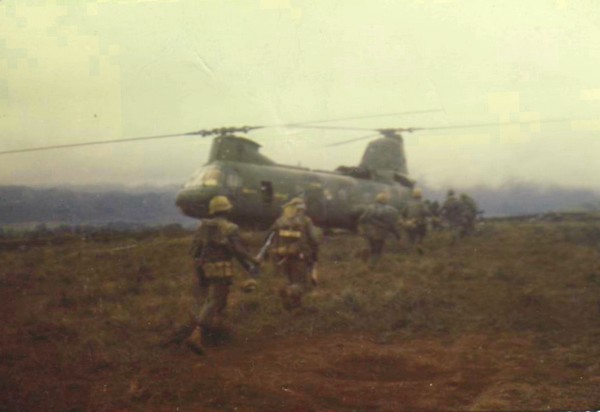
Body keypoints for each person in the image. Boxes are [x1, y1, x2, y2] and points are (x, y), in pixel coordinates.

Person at [185, 195, 260, 355]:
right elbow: (238, 251)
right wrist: (253, 262)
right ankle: (196, 335)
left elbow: (193, 250)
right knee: (215, 300)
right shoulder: (230, 228)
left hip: (203, 268)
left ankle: (214, 334)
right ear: (227, 210)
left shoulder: (203, 227)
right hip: (220, 268)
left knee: (216, 299)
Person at [264, 197, 319, 312]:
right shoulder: (305, 221)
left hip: (280, 256)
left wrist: (269, 252)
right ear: (302, 209)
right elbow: (314, 240)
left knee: (289, 279)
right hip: (299, 256)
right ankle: (295, 304)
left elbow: (268, 237)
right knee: (300, 283)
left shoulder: (280, 221)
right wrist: (314, 256)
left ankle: (290, 303)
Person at [357, 191, 400, 268]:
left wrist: (363, 228)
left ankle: (367, 254)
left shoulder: (370, 207)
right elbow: (391, 225)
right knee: (377, 251)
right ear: (386, 200)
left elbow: (362, 219)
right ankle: (372, 266)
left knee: (372, 247)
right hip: (380, 234)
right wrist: (397, 234)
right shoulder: (389, 210)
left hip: (370, 233)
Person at [400, 187, 429, 252]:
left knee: (410, 237)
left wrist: (406, 220)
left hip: (409, 223)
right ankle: (419, 243)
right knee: (423, 232)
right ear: (420, 195)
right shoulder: (422, 203)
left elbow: (403, 213)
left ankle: (409, 249)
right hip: (419, 224)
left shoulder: (408, 203)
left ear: (413, 195)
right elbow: (426, 212)